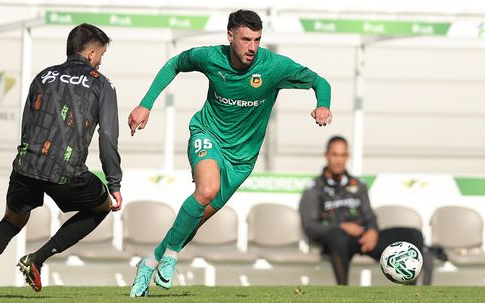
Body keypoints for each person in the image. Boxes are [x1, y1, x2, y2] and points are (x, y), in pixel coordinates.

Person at [127, 9, 332, 297]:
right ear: (230, 36)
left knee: (194, 220)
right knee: (207, 189)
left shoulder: (273, 67)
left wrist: (323, 103)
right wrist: (145, 104)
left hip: (241, 160)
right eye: (246, 39)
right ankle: (171, 256)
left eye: (257, 40)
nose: (252, 47)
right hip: (207, 135)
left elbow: (320, 81)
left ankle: (149, 263)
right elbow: (174, 64)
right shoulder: (210, 57)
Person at [0, 23, 122, 299]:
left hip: (27, 164)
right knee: (102, 206)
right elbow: (107, 136)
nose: (101, 62)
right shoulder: (101, 83)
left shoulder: (43, 76)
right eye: (102, 56)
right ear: (92, 53)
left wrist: (28, 158)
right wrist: (114, 182)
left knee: (11, 221)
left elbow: (27, 123)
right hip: (66, 171)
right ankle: (38, 258)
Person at [299, 135, 424, 285]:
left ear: (347, 156)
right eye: (335, 155)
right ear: (326, 155)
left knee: (412, 234)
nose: (339, 160)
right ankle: (343, 292)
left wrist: (372, 231)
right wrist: (340, 226)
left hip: (364, 238)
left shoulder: (357, 185)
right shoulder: (314, 189)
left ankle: (411, 292)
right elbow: (310, 226)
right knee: (338, 237)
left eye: (343, 155)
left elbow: (370, 216)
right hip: (336, 241)